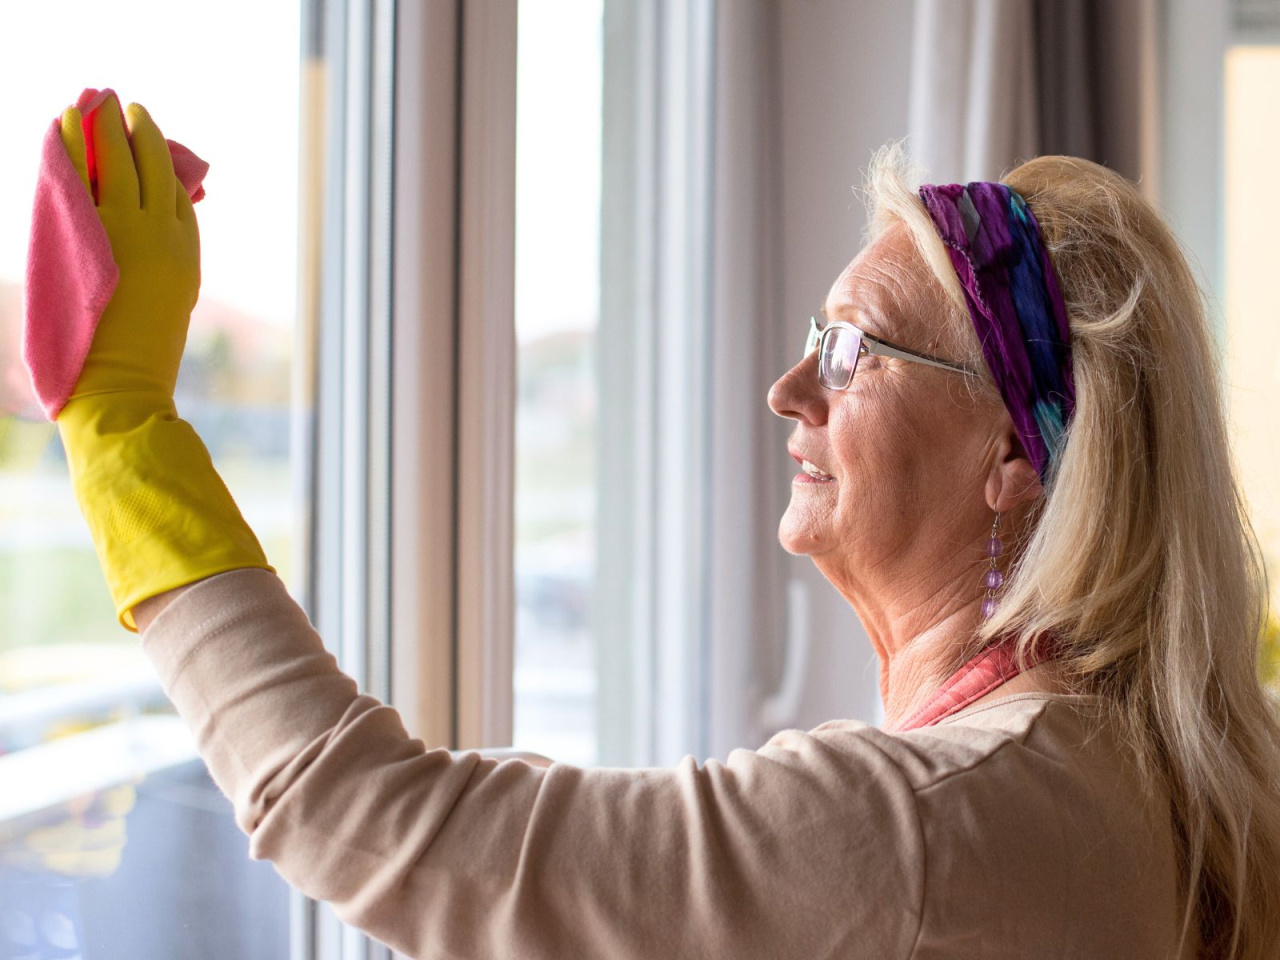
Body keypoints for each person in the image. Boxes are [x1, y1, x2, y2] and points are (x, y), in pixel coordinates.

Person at [32, 92, 1280, 959]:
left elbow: (360, 814)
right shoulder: (1109, 757)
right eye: (811, 340)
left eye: (853, 352)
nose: (787, 391)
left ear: (1012, 452)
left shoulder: (937, 821)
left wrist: (123, 431)